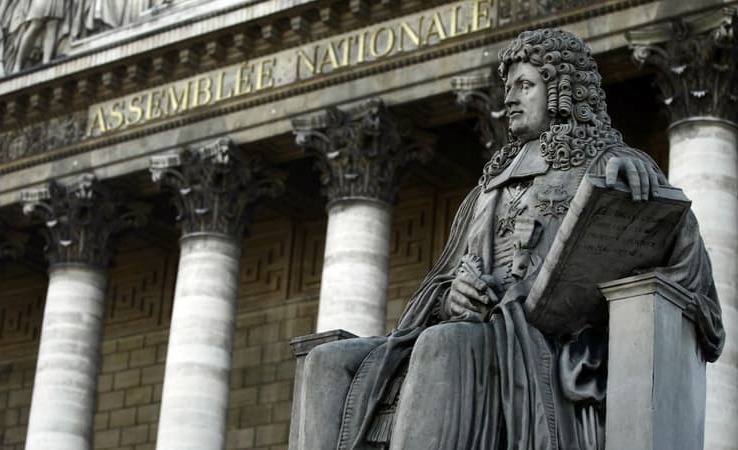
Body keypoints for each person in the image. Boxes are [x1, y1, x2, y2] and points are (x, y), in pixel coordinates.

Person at [297, 28, 725, 450]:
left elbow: (688, 264)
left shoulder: (610, 166)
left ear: (562, 90)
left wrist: (643, 192)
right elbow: (441, 282)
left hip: (547, 341)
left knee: (444, 342)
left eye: (524, 85)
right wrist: (451, 297)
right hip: (472, 329)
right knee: (327, 361)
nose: (509, 98)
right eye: (508, 86)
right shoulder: (488, 188)